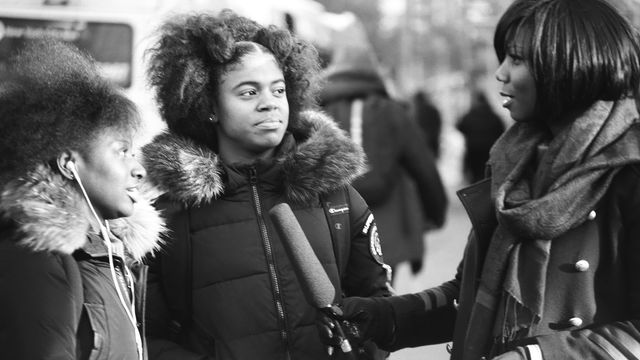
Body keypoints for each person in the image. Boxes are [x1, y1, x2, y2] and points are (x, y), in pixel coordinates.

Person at [321, 0, 640, 359]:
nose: (500, 73)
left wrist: (531, 356)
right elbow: (471, 294)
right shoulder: (513, 163)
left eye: (517, 59)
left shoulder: (629, 172)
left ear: (572, 63)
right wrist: (386, 317)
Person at [140, 10, 393, 360]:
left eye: (278, 90)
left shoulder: (336, 197)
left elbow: (379, 308)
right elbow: (148, 336)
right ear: (209, 104)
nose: (269, 103)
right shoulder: (169, 216)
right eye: (248, 92)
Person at [0, 39, 165, 359]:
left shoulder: (111, 258)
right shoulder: (41, 260)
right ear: (68, 164)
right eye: (122, 152)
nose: (139, 170)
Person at [319, 42, 448, 279]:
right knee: (381, 298)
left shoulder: (318, 111)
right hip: (386, 229)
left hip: (331, 227)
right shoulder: (391, 111)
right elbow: (423, 167)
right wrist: (436, 213)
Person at [456, 90, 506, 183]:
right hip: (490, 150)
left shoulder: (470, 115)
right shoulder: (493, 116)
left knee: (475, 174)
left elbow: (460, 126)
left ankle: (476, 192)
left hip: (473, 149)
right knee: (487, 175)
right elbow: (501, 130)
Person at [412, 90, 443, 159]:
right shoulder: (433, 110)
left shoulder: (418, 112)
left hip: (424, 141)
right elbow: (439, 123)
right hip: (433, 138)